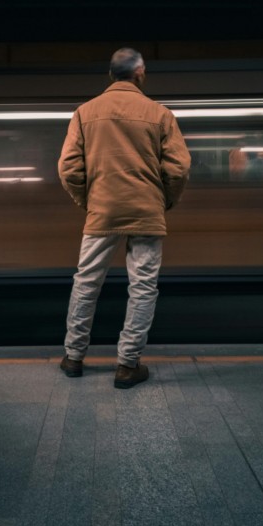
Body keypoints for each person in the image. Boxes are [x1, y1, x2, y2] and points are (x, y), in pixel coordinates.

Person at [57, 47, 191, 389]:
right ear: (140, 72)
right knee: (143, 286)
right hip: (146, 211)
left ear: (110, 74)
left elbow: (69, 167)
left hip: (102, 211)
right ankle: (127, 364)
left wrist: (88, 200)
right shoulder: (160, 114)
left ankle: (74, 357)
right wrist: (164, 202)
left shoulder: (84, 113)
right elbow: (178, 168)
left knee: (86, 282)